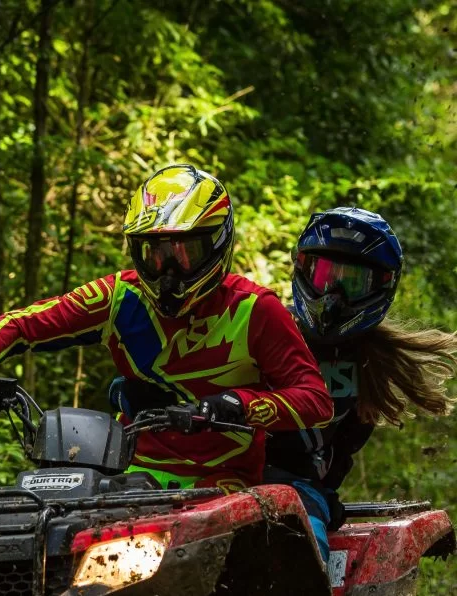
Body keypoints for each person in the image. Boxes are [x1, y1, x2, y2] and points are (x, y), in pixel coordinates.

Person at [0, 164, 332, 494]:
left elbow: (316, 399)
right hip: (130, 474)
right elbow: (23, 323)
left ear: (216, 245)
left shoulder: (254, 309)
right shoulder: (118, 296)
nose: (167, 272)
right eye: (153, 255)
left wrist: (240, 405)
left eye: (183, 254)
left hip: (225, 483)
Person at [110, 205, 457, 561]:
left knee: (300, 550)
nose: (333, 296)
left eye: (351, 283)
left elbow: (344, 447)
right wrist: (133, 391)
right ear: (301, 269)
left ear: (382, 286)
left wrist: (321, 489)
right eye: (323, 276)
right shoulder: (264, 328)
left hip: (290, 491)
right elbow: (184, 371)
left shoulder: (373, 364)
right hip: (212, 476)